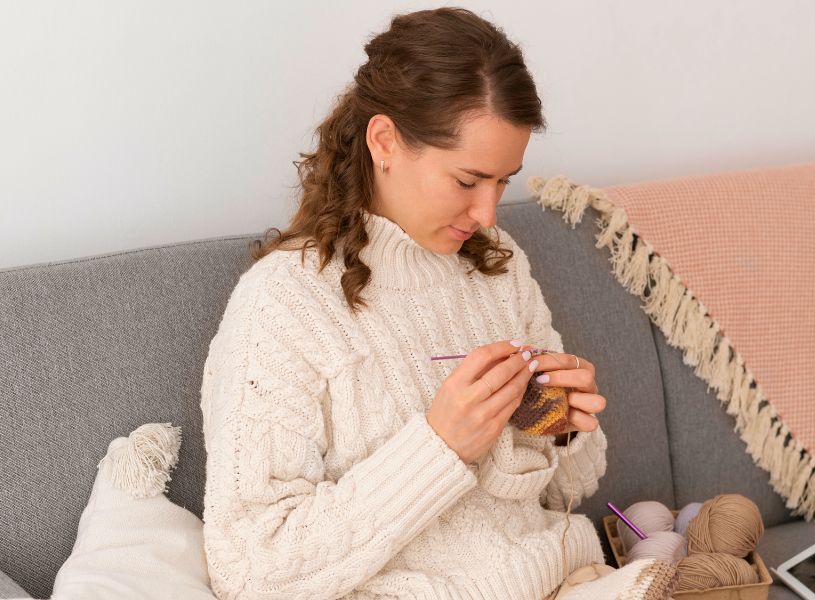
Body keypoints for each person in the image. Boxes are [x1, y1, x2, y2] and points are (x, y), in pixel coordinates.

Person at [200, 7, 677, 599]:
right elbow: (251, 568)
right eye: (468, 181)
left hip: (562, 578)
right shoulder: (284, 304)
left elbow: (563, 494)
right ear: (384, 142)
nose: (488, 215)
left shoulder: (498, 265)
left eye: (504, 181)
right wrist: (440, 445)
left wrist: (557, 427)